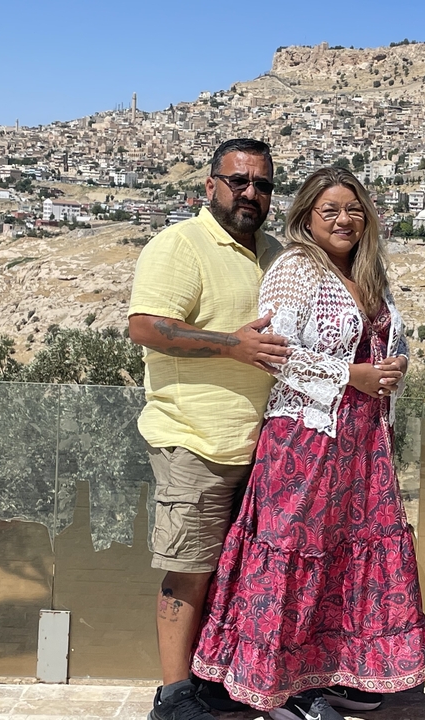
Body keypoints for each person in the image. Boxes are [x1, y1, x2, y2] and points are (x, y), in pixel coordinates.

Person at [191, 167, 425, 720]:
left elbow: (383, 343)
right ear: (306, 217)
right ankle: (284, 687)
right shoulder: (295, 269)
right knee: (295, 554)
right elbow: (275, 351)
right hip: (306, 440)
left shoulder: (368, 274)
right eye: (330, 210)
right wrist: (352, 376)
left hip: (364, 441)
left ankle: (337, 670)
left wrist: (395, 366)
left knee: (346, 558)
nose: (344, 220)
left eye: (354, 209)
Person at [128, 138, 289, 720]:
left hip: (261, 446)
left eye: (262, 184)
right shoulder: (181, 245)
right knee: (191, 571)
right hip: (194, 439)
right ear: (210, 185)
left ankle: (213, 680)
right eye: (238, 181)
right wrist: (231, 345)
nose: (251, 193)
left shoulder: (274, 253)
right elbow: (146, 326)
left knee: (239, 571)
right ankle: (173, 697)